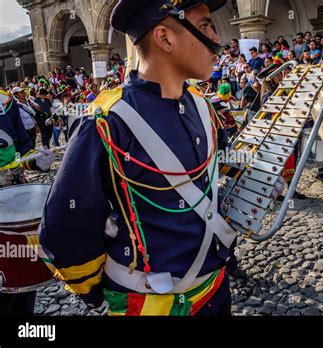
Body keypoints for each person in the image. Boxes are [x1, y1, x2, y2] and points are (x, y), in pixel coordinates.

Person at [39, 0, 285, 317]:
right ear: (164, 37)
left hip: (215, 289)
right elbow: (64, 228)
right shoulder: (106, 123)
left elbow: (214, 170)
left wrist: (251, 182)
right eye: (206, 25)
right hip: (149, 305)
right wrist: (93, 289)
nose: (217, 37)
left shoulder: (203, 107)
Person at [0, 89, 54, 315]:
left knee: (20, 279)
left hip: (14, 195)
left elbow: (24, 148)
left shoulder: (6, 100)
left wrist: (37, 162)